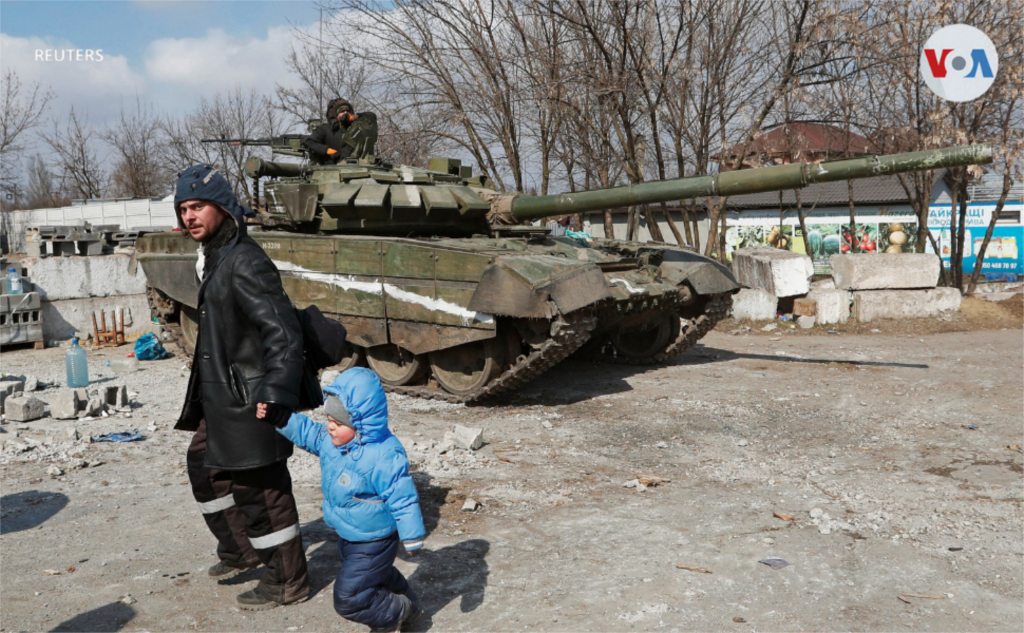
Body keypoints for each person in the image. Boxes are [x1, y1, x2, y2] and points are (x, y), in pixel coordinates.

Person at [173, 164, 311, 610]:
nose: (189, 216)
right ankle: (241, 548)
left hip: (251, 398)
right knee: (205, 466)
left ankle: (286, 579)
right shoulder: (216, 255)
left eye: (198, 206)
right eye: (183, 209)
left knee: (262, 491)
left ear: (223, 208)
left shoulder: (245, 260)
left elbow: (283, 332)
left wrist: (276, 392)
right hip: (222, 396)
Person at [258, 368, 426, 633]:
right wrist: (280, 417)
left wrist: (412, 535)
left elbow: (402, 496)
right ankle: (409, 608)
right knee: (376, 576)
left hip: (375, 539)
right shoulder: (330, 440)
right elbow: (307, 433)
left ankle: (400, 611)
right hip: (348, 534)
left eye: (340, 422)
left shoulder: (383, 454)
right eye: (329, 418)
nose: (330, 426)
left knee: (348, 598)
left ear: (362, 422)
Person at [303, 97, 366, 164]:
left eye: (348, 111)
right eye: (342, 111)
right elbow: (308, 141)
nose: (346, 113)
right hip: (329, 169)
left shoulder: (356, 131)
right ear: (335, 114)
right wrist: (327, 150)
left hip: (354, 169)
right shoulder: (325, 129)